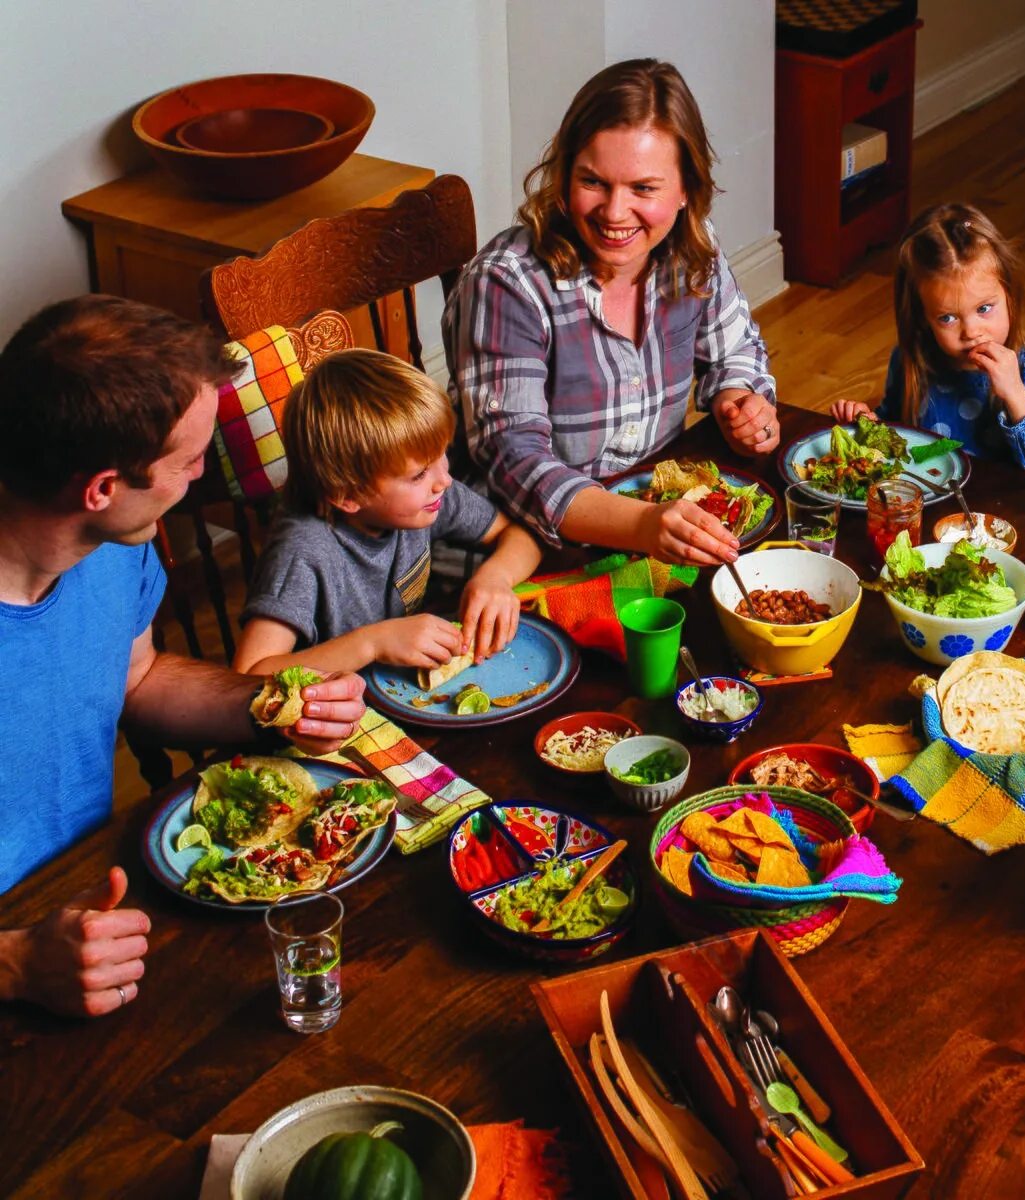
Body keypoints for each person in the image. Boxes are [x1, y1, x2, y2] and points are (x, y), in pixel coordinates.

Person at [0, 296, 366, 1018]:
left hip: (98, 900)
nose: (201, 477)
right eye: (192, 460)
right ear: (104, 489)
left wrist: (267, 707)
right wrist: (14, 964)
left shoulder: (109, 546)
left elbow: (136, 677)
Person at [444, 57, 778, 567]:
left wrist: (740, 399)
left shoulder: (692, 249)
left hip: (653, 529)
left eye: (644, 188)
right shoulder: (508, 283)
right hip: (522, 552)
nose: (615, 213)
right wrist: (641, 525)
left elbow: (736, 351)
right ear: (564, 174)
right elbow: (515, 461)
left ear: (686, 189)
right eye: (594, 182)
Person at [234, 349, 542, 676]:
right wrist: (372, 644)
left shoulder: (430, 495)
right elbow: (247, 675)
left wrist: (495, 577)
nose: (444, 480)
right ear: (349, 496)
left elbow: (522, 536)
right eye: (419, 474)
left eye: (442, 455)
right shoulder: (303, 551)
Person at [832, 202, 1025, 476]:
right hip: (935, 504)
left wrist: (1016, 395)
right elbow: (904, 446)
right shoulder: (912, 365)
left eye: (984, 309)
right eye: (948, 318)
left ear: (1010, 296)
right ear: (922, 318)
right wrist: (869, 425)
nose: (971, 332)